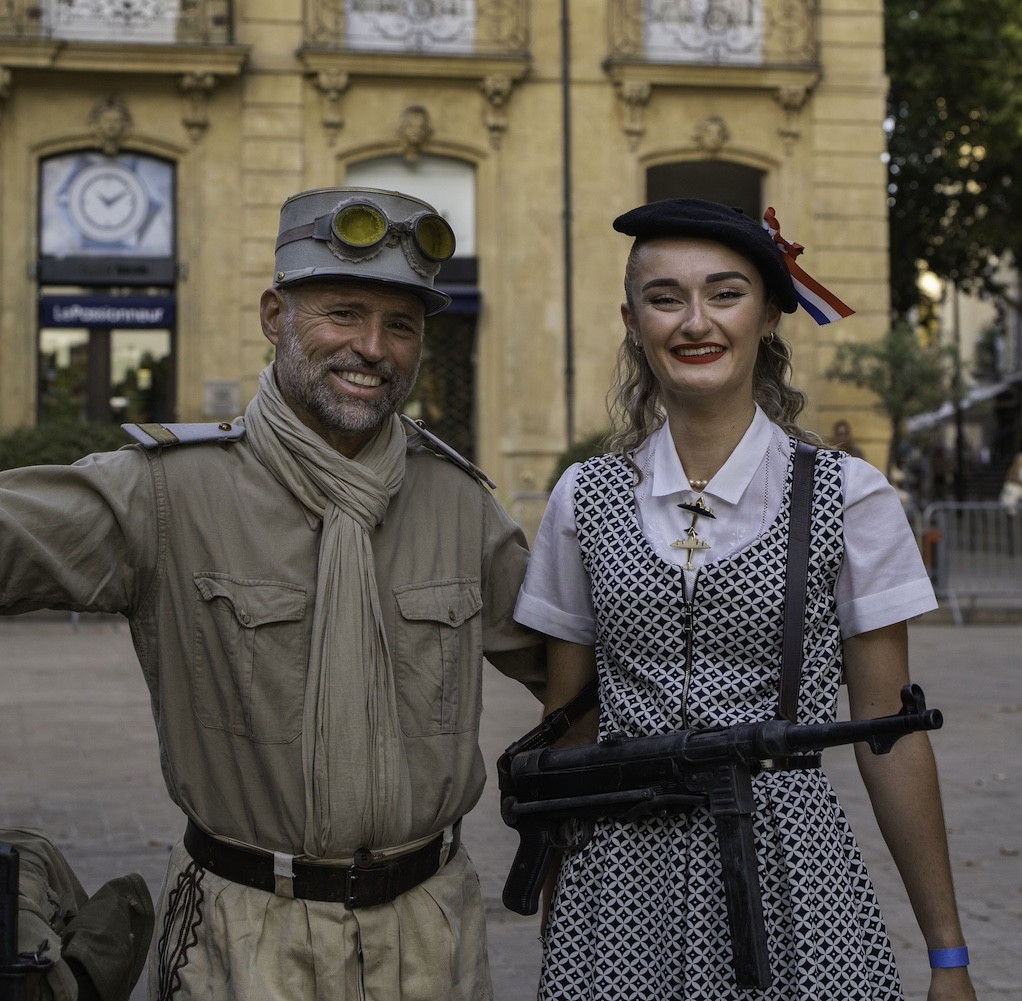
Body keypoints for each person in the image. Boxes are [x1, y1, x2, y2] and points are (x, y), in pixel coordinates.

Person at [0, 186, 545, 1000]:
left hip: (431, 941)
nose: (373, 347)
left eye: (401, 325)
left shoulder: (459, 505)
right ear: (273, 315)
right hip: (242, 939)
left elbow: (576, 672)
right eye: (344, 312)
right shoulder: (166, 492)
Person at [514, 199, 976, 1000]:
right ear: (633, 320)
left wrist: (948, 957)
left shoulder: (850, 498)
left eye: (725, 293)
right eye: (666, 298)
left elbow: (890, 738)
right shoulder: (581, 498)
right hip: (619, 880)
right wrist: (565, 928)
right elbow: (571, 732)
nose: (696, 321)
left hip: (793, 875)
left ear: (767, 314)